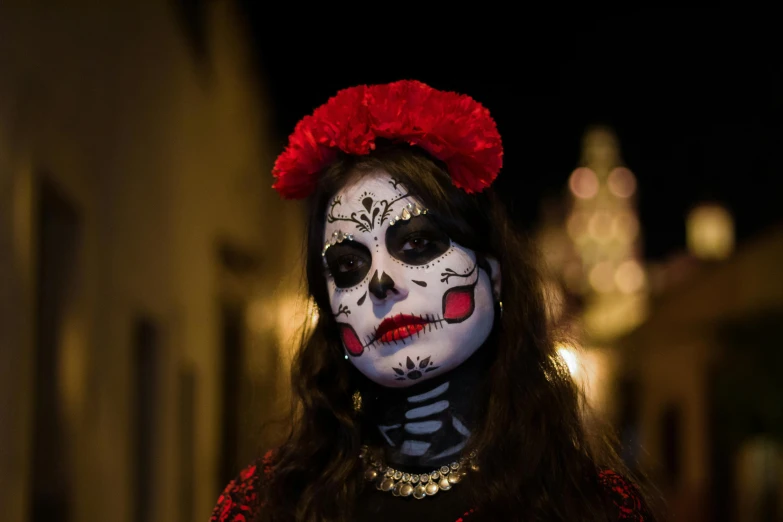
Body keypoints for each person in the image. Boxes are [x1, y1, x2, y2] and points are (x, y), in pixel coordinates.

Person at [210, 80, 655, 522]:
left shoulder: (591, 508)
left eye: (418, 243)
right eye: (348, 266)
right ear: (329, 312)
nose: (381, 281)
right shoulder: (267, 505)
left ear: (493, 278)